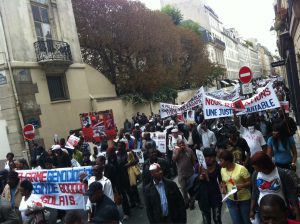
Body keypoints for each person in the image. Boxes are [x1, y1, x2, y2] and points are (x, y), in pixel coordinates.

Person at [250, 151, 300, 221]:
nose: (254, 168)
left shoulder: (281, 174)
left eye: (255, 166)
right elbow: (254, 192)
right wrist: (252, 209)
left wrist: (297, 214)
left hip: (280, 211)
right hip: (263, 212)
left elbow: (291, 194)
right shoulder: (255, 174)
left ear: (262, 165)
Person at [219, 150, 251, 224]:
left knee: (246, 221)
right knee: (236, 222)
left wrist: (242, 185)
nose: (219, 163)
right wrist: (223, 188)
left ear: (227, 161)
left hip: (244, 200)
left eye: (221, 161)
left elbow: (250, 182)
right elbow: (224, 181)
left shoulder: (241, 169)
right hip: (231, 200)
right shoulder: (222, 170)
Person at [195, 148, 222, 224]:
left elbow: (221, 180)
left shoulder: (217, 166)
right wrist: (199, 177)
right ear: (204, 157)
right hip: (203, 197)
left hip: (215, 195)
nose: (212, 159)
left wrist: (223, 188)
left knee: (217, 219)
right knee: (206, 220)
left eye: (213, 157)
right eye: (209, 157)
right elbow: (194, 179)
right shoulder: (198, 166)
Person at [172, 139, 196, 209]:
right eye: (180, 144)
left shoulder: (189, 150)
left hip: (190, 174)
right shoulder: (175, 151)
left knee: (191, 189)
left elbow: (194, 161)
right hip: (181, 175)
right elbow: (174, 160)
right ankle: (186, 202)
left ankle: (192, 202)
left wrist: (195, 170)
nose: (181, 145)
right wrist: (178, 152)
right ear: (177, 145)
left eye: (182, 143)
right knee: (184, 190)